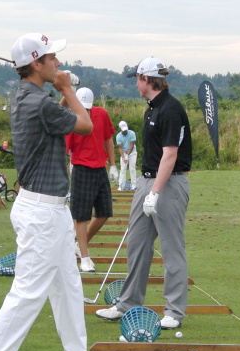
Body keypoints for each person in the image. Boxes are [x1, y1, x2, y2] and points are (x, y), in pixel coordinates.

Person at [0, 33, 106, 351]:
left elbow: (59, 116)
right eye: (52, 58)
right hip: (42, 212)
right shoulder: (39, 101)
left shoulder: (25, 95)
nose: (58, 63)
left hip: (49, 209)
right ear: (36, 64)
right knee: (27, 294)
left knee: (69, 291)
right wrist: (68, 88)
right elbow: (85, 126)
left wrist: (59, 90)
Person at [96, 57, 192, 330]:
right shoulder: (151, 109)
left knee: (172, 249)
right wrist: (146, 190)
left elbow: (170, 155)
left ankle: (174, 311)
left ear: (147, 79)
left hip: (169, 184)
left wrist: (156, 193)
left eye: (137, 79)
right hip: (146, 181)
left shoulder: (171, 109)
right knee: (137, 244)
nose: (136, 84)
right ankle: (127, 303)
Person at [66, 87, 118, 273]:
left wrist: (113, 165)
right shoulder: (71, 119)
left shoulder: (101, 114)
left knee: (104, 212)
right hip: (80, 168)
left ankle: (80, 245)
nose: (86, 111)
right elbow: (65, 149)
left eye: (88, 107)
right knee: (81, 215)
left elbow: (108, 139)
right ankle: (85, 258)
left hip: (100, 168)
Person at [116, 120, 137, 190]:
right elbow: (120, 148)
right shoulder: (118, 136)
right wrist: (123, 157)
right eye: (123, 130)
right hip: (124, 152)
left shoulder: (132, 133)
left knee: (132, 168)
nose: (125, 131)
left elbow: (132, 145)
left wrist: (127, 155)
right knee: (123, 168)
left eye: (125, 129)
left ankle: (134, 185)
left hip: (132, 152)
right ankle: (121, 185)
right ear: (120, 129)